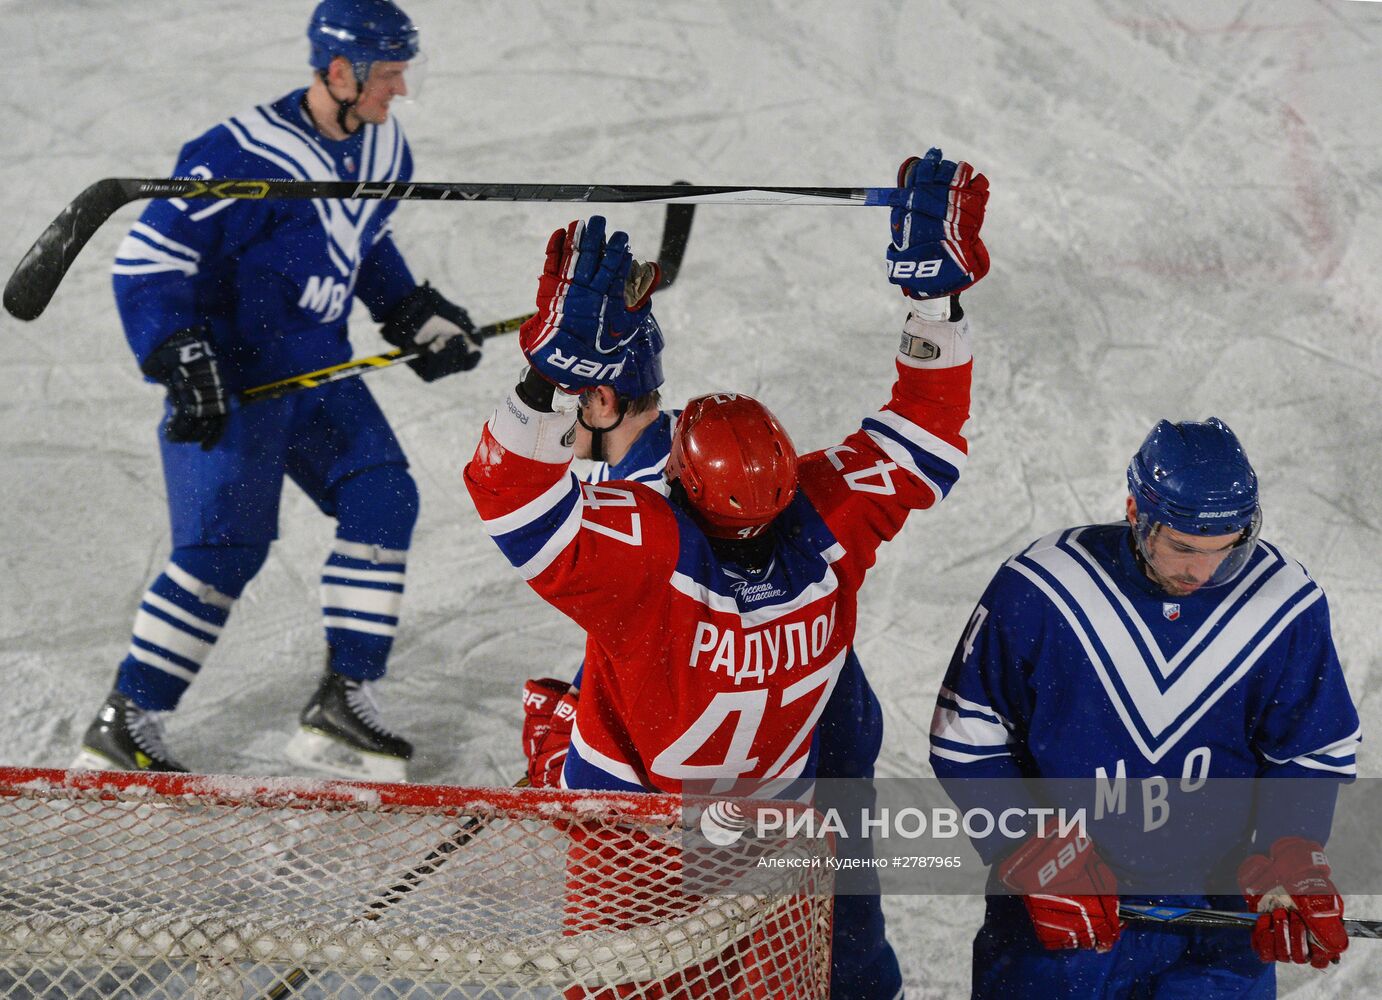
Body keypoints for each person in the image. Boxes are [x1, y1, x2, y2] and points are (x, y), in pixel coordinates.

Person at [469, 147, 990, 1000]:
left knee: (632, 985)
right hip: (785, 816)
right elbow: (927, 426)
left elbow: (512, 494)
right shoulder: (827, 520)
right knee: (834, 954)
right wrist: (935, 297)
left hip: (639, 836)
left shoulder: (649, 548)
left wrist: (550, 377)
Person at [71, 0, 481, 781]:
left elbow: (363, 242)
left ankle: (341, 704)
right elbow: (148, 261)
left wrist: (410, 312)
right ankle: (125, 720)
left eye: (402, 71)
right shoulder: (237, 153)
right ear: (339, 71)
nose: (398, 90)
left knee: (383, 496)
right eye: (387, 74)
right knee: (224, 549)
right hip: (237, 377)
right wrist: (177, 353)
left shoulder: (383, 147)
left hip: (317, 367)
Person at [929, 417, 1360, 997]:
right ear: (1137, 512)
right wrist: (1025, 843)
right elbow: (966, 733)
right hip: (1062, 904)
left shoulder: (1284, 603)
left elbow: (1312, 749)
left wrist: (1292, 847)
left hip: (1218, 914)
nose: (1201, 572)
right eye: (1182, 547)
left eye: (1226, 549)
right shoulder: (1042, 587)